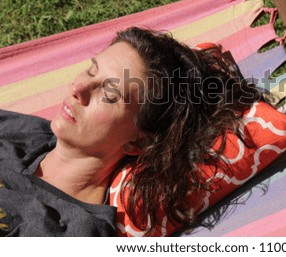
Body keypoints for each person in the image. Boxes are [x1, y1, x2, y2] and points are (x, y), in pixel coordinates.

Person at [0, 27, 264, 236]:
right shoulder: (23, 132)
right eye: (91, 70)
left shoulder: (71, 232)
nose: (78, 88)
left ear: (139, 142)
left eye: (110, 93)